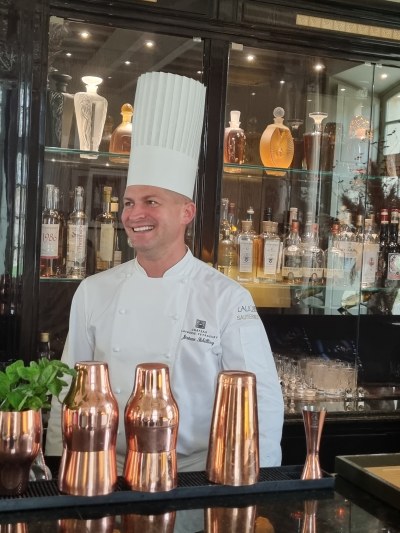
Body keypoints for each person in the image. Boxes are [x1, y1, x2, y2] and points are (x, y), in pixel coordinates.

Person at [45, 71, 284, 474]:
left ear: (186, 212)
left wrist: (262, 486)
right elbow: (68, 391)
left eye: (151, 202)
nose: (134, 214)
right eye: (129, 202)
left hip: (193, 477)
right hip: (104, 472)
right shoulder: (93, 290)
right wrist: (58, 468)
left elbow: (260, 399)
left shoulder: (226, 298)